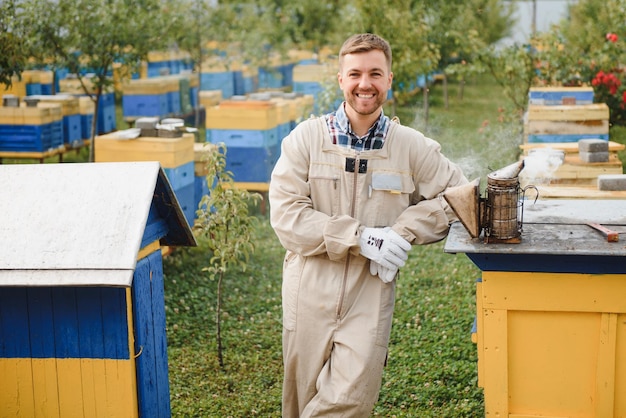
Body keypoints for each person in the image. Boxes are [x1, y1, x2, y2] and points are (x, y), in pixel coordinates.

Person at [268, 33, 468, 417]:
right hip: (308, 288)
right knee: (299, 403)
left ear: (389, 79)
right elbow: (287, 216)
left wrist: (401, 231)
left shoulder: (410, 146)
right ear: (341, 79)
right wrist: (359, 237)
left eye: (375, 73)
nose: (365, 84)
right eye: (355, 73)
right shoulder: (305, 141)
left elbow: (459, 196)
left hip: (370, 292)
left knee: (350, 403)